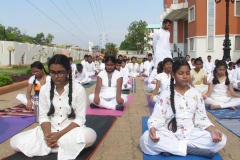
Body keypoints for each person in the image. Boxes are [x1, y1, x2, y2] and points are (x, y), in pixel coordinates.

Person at [10, 54, 97, 160]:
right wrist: (48, 136)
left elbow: (80, 119)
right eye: (52, 72)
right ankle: (59, 145)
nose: (56, 76)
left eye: (60, 72)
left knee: (90, 135)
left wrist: (58, 135)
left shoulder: (78, 89)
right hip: (49, 131)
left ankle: (52, 145)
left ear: (68, 72)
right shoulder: (45, 89)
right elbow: (43, 117)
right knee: (14, 141)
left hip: (69, 132)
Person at [140, 60, 226, 159]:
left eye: (187, 73)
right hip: (169, 133)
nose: (185, 77)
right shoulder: (166, 93)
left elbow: (202, 118)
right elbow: (157, 116)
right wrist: (153, 128)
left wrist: (213, 129)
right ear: (173, 75)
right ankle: (190, 150)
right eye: (181, 73)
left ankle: (171, 149)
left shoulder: (196, 93)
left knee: (222, 138)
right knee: (145, 139)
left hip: (191, 134)